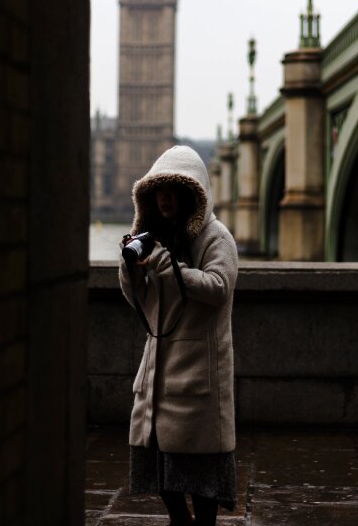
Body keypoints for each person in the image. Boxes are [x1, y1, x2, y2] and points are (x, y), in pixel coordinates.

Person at [118, 145, 238, 526]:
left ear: (192, 194)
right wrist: (131, 269)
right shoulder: (153, 235)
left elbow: (219, 287)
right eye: (158, 191)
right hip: (157, 370)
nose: (164, 198)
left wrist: (171, 268)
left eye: (172, 190)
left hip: (197, 372)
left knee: (202, 481)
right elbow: (138, 300)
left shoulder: (216, 238)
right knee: (161, 469)